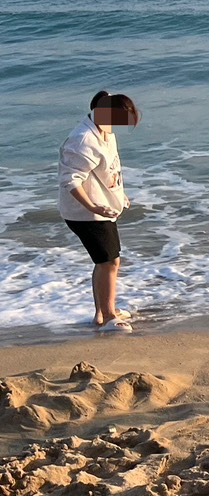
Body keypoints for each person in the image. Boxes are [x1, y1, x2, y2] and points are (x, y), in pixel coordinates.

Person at [58, 91, 139, 332]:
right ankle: (109, 315)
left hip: (102, 208)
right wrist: (93, 206)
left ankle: (102, 313)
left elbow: (108, 170)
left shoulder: (105, 131)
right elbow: (70, 180)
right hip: (86, 213)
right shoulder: (83, 140)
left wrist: (118, 195)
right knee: (109, 261)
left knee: (106, 261)